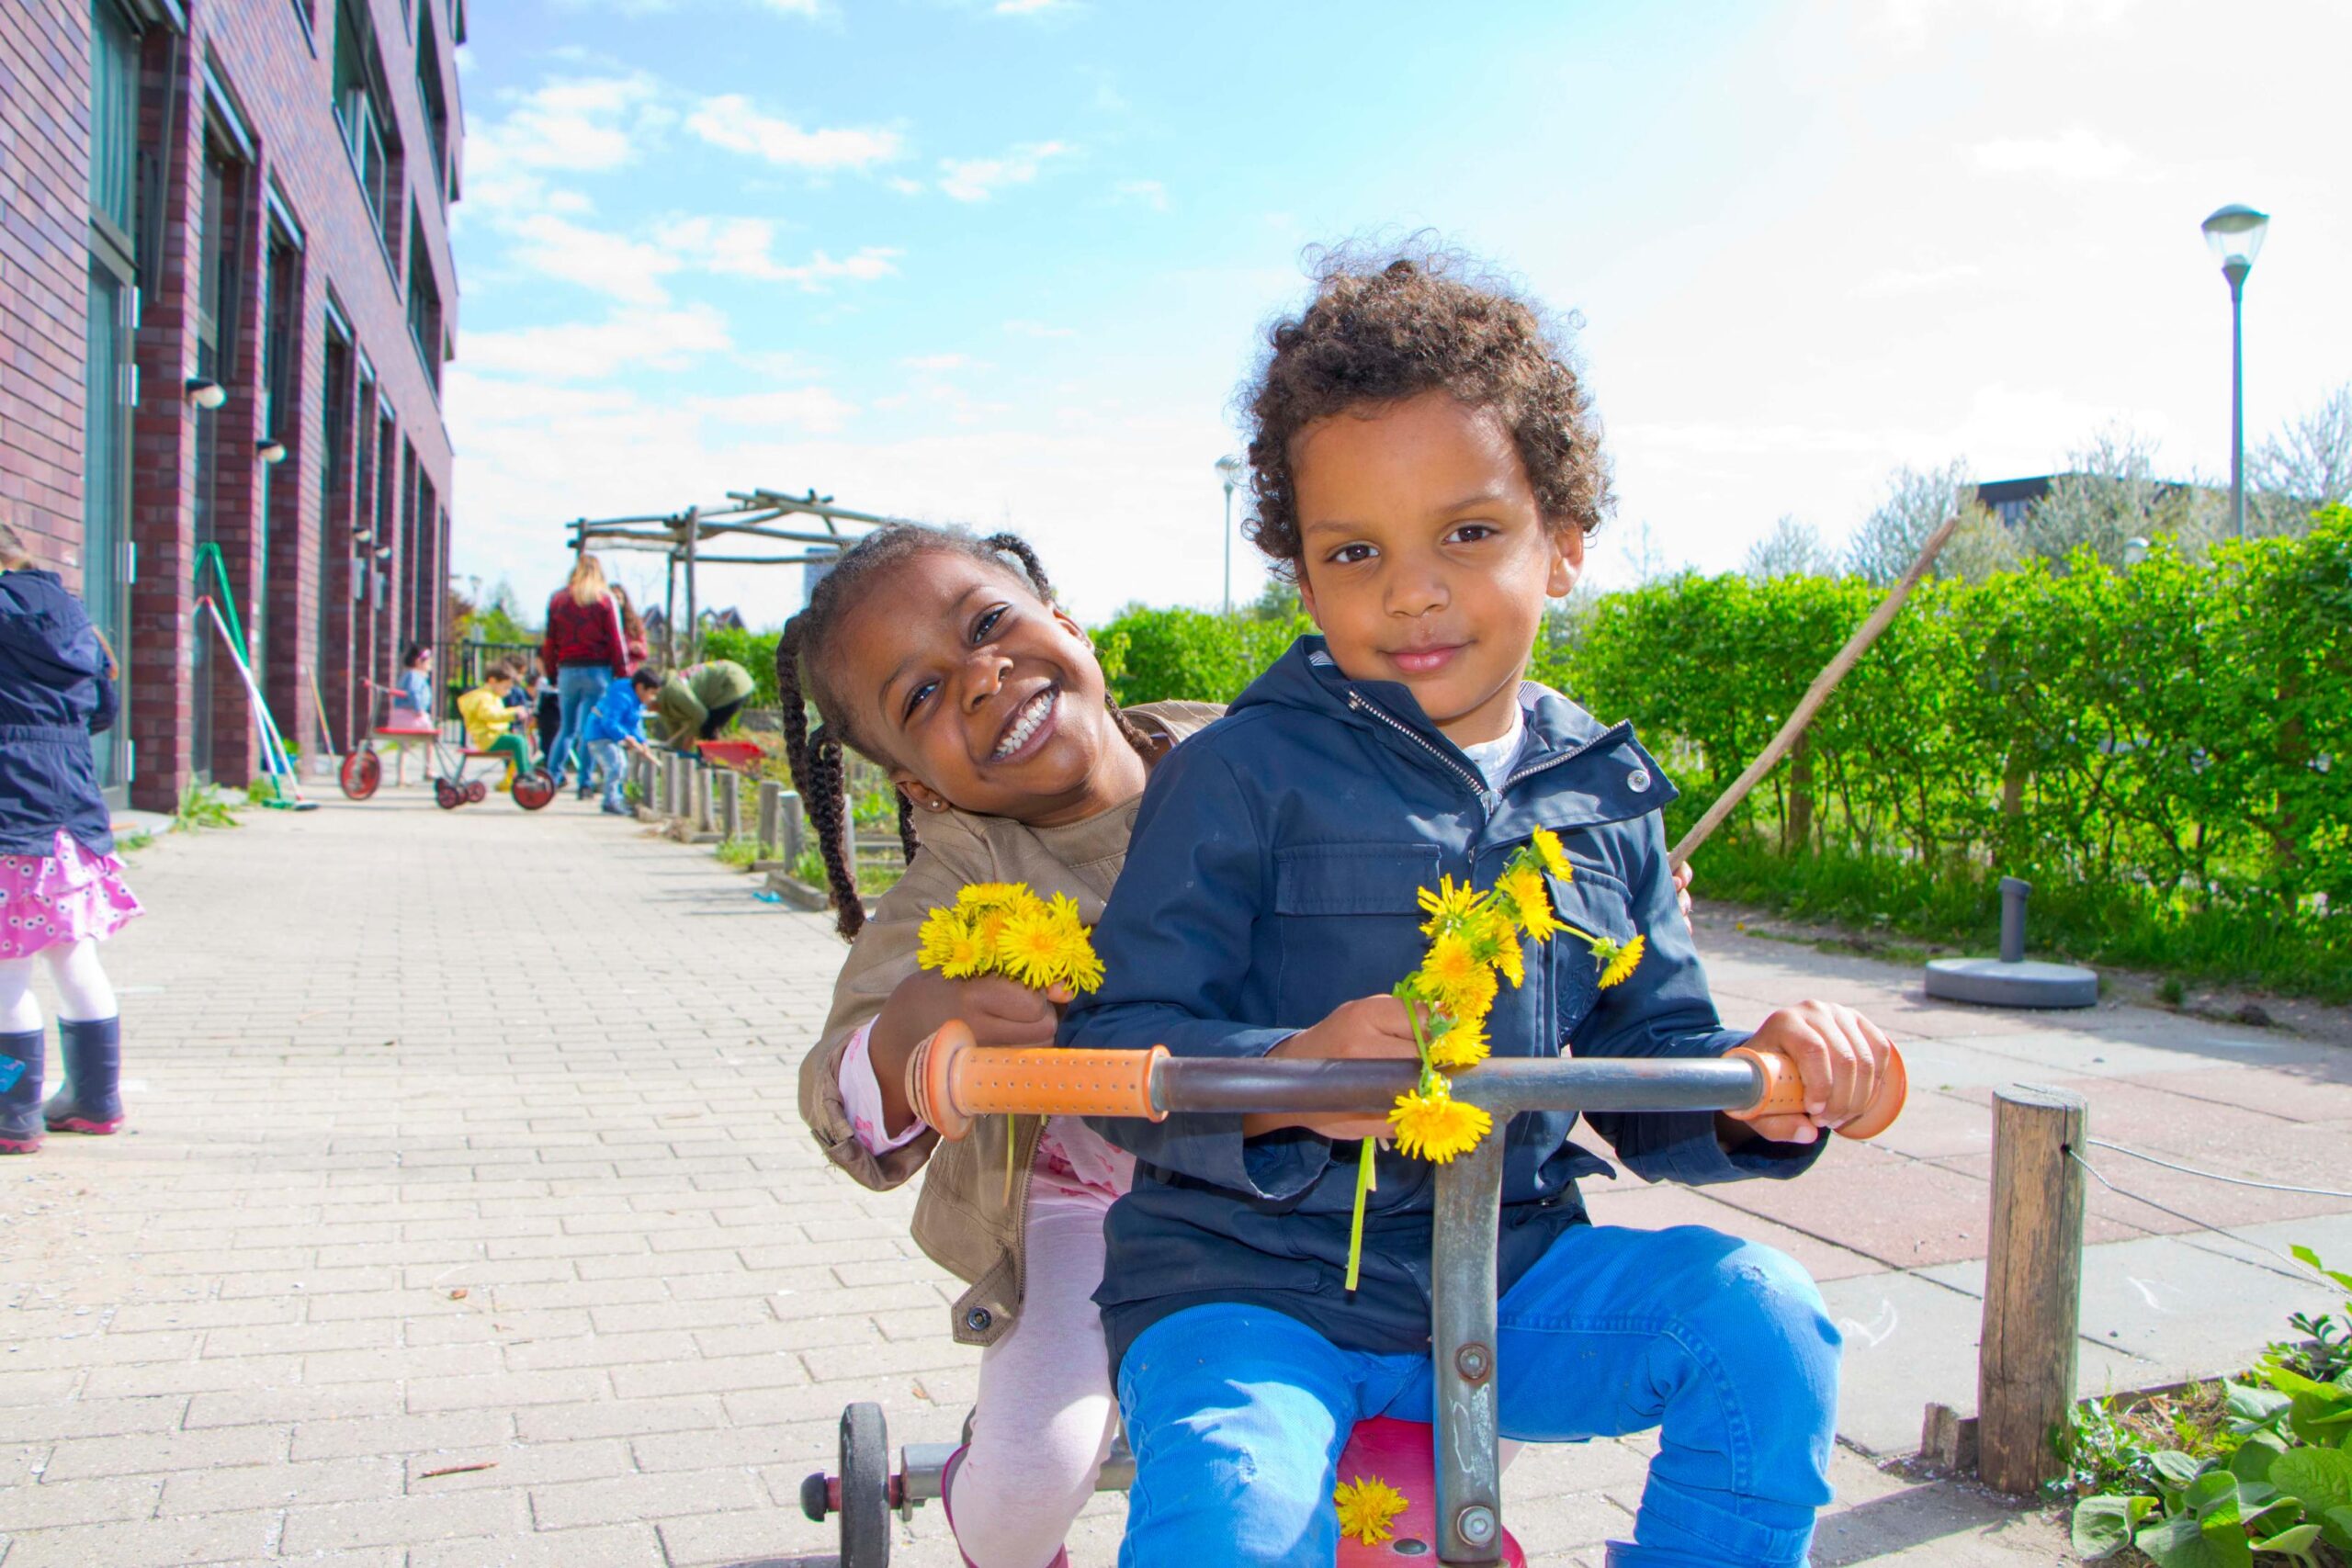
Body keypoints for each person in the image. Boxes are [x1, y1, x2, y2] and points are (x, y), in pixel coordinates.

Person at [1061, 252, 1896, 1568]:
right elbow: (1111, 1056)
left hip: (1507, 1280)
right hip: (1244, 1287)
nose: (1411, 588)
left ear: (1563, 544)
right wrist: (1285, 1074)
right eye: (1354, 550)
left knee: (1759, 1322)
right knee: (1241, 1513)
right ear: (1304, 575)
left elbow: (1652, 1066)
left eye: (1468, 531)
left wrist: (1756, 1090)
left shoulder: (1608, 794)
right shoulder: (1235, 774)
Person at [786, 525, 1222, 1568]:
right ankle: (993, 1516)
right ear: (920, 786)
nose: (980, 677)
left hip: (1299, 1165)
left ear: (1064, 624)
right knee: (1036, 1472)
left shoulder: (1248, 758)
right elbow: (835, 1080)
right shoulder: (965, 874)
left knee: (1460, 1393)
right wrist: (909, 1032)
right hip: (1090, 1191)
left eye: (989, 624)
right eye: (920, 698)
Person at [0, 522, 142, 1154]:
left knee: (5, 972)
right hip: (72, 823)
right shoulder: (73, 615)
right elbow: (103, 709)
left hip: (10, 816)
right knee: (71, 955)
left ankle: (12, 1112)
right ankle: (94, 1099)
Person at [539, 553, 630, 790]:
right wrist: (622, 672)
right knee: (589, 729)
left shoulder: (558, 599)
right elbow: (615, 638)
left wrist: (551, 673)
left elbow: (549, 641)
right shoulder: (604, 599)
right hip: (598, 670)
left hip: (568, 670)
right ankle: (585, 782)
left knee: (566, 727)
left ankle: (552, 776)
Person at [582, 666, 662, 816]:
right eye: (651, 693)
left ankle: (615, 798)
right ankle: (610, 802)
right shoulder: (621, 696)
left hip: (610, 737)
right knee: (617, 765)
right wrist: (626, 737)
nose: (652, 698)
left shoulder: (636, 699)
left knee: (620, 765)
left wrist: (642, 741)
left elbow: (635, 723)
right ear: (640, 687)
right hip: (599, 735)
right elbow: (609, 722)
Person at [458, 660, 535, 791]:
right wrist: (513, 713)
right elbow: (490, 715)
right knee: (518, 741)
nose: (508, 691)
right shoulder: (484, 698)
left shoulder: (492, 696)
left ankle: (526, 771)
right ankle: (524, 774)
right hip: (488, 738)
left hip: (493, 735)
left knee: (521, 740)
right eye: (505, 687)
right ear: (493, 681)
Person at [646, 659, 755, 752]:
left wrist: (689, 738)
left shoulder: (675, 692)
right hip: (726, 682)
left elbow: (701, 715)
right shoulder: (663, 704)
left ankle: (712, 769)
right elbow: (674, 731)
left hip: (732, 682)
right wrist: (676, 754)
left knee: (707, 730)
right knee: (705, 733)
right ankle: (710, 764)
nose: (646, 710)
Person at [389, 642, 436, 728]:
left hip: (403, 716)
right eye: (428, 662)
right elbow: (413, 692)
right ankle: (431, 742)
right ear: (418, 662)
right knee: (430, 730)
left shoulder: (411, 675)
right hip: (410, 716)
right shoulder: (414, 676)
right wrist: (418, 709)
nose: (431, 664)